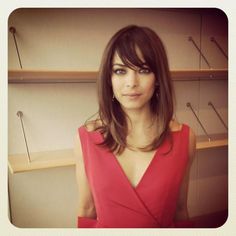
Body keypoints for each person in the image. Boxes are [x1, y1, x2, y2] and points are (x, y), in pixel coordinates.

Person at [74, 25, 196, 228]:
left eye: (144, 70)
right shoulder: (86, 138)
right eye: (120, 71)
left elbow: (180, 210)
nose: (131, 82)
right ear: (109, 79)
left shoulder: (185, 138)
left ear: (158, 79)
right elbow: (87, 210)